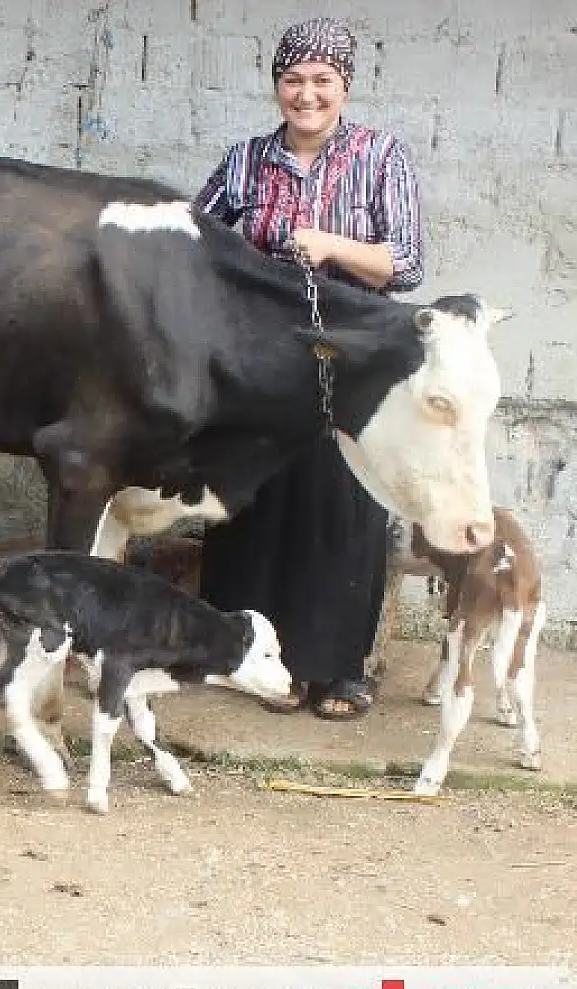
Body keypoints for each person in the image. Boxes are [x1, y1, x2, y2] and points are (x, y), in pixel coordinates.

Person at [193, 16, 424, 721]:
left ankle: (338, 671)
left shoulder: (382, 157)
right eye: (293, 80)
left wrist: (331, 244)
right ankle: (252, 660)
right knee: (257, 499)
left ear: (345, 86)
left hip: (352, 352)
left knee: (339, 503)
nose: (307, 95)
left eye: (322, 81)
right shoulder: (246, 161)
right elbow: (194, 235)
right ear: (277, 86)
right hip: (266, 353)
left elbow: (407, 262)